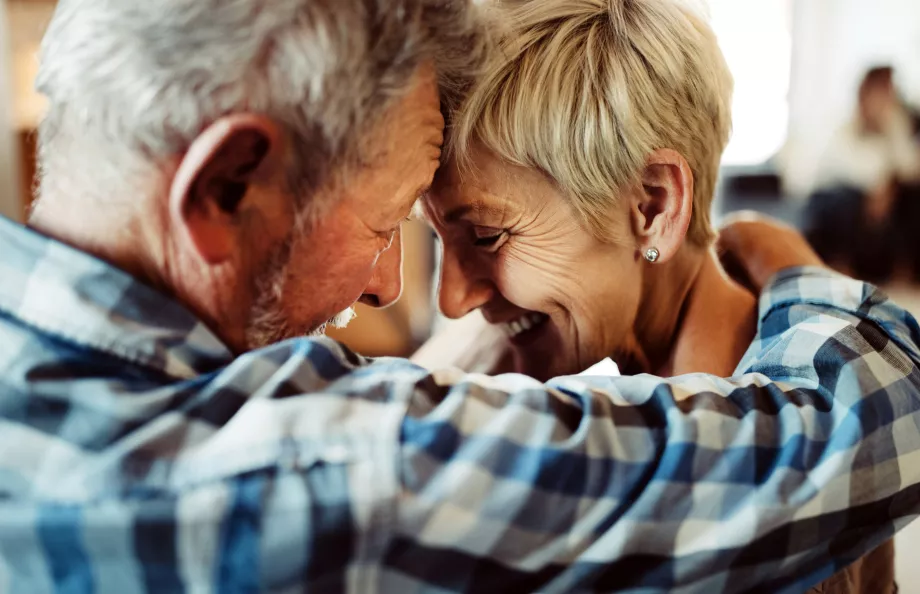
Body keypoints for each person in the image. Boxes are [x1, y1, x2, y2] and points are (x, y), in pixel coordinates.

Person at [0, 0, 919, 592]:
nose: (414, 294)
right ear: (228, 186)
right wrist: (794, 264)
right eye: (395, 226)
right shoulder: (319, 472)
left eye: (482, 236)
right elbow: (872, 423)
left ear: (654, 205)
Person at [418, 2, 912, 592]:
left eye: (487, 236)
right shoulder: (508, 359)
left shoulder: (763, 500)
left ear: (652, 206)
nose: (451, 299)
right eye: (437, 236)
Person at [805, 66, 920, 282]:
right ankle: (840, 265)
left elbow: (910, 168)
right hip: (842, 198)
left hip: (882, 206)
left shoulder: (896, 126)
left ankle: (904, 271)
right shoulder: (844, 124)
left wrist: (892, 128)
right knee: (846, 199)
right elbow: (838, 168)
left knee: (911, 197)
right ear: (865, 93)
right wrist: (878, 187)